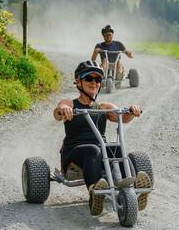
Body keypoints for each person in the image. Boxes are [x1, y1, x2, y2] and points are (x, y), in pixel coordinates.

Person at [54, 61, 150, 216]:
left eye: (97, 79)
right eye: (89, 78)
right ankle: (94, 193)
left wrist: (132, 111)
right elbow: (58, 112)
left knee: (116, 148)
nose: (94, 82)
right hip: (74, 156)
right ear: (78, 81)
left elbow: (123, 117)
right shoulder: (70, 104)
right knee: (93, 149)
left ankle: (134, 190)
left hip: (101, 154)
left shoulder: (104, 107)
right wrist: (63, 109)